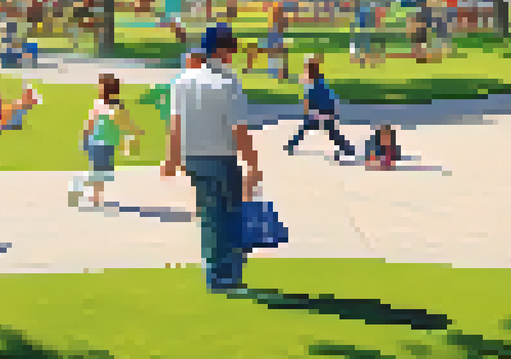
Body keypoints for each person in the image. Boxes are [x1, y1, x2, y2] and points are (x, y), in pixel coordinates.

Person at [163, 23, 262, 293]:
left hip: (193, 157)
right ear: (222, 51)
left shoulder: (183, 81)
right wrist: (253, 164)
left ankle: (215, 273)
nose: (233, 55)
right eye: (230, 49)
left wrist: (171, 159)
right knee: (228, 215)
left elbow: (175, 123)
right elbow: (239, 128)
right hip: (222, 156)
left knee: (209, 216)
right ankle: (226, 276)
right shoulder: (229, 82)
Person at [69, 74, 141, 210]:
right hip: (97, 142)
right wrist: (85, 137)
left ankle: (95, 195)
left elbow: (125, 123)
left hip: (108, 143)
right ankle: (88, 190)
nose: (99, 89)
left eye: (102, 86)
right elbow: (91, 121)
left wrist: (130, 136)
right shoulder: (101, 104)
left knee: (103, 171)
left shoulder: (117, 106)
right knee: (99, 170)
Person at [285, 55, 355, 160]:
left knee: (306, 126)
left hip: (319, 112)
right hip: (329, 111)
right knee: (333, 132)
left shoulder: (311, 84)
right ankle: (347, 148)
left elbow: (308, 100)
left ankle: (292, 144)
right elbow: (330, 98)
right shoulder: (322, 81)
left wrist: (307, 111)